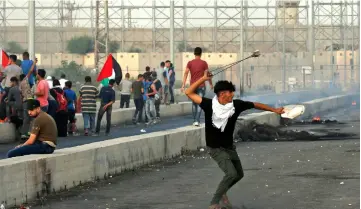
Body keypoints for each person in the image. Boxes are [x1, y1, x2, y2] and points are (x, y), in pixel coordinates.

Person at [185, 71, 284, 209]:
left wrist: (274, 110)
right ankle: (214, 203)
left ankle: (223, 190)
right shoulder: (208, 105)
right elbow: (188, 92)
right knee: (231, 173)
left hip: (229, 147)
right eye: (229, 93)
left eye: (232, 92)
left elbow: (256, 105)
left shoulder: (236, 105)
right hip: (215, 148)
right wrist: (203, 78)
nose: (232, 95)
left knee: (239, 174)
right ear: (221, 94)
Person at [182, 47, 214, 127]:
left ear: (194, 53)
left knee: (194, 103)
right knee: (200, 103)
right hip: (201, 86)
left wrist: (183, 85)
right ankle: (197, 120)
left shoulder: (190, 63)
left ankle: (194, 120)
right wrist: (210, 83)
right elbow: (206, 75)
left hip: (192, 86)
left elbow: (186, 73)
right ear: (201, 53)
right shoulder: (204, 63)